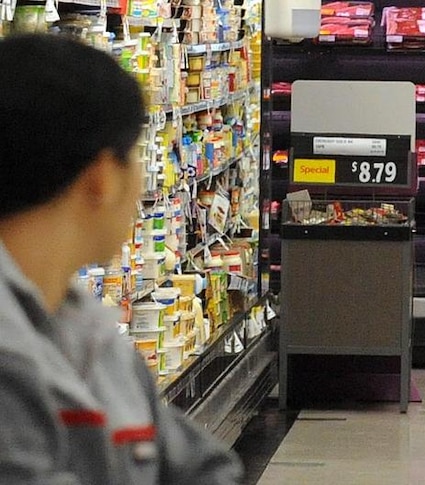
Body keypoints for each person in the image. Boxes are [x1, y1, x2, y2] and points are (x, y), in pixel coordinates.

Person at [0, 34, 243, 483]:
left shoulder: (86, 328)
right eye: (135, 155)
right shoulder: (11, 355)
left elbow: (204, 467)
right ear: (103, 177)